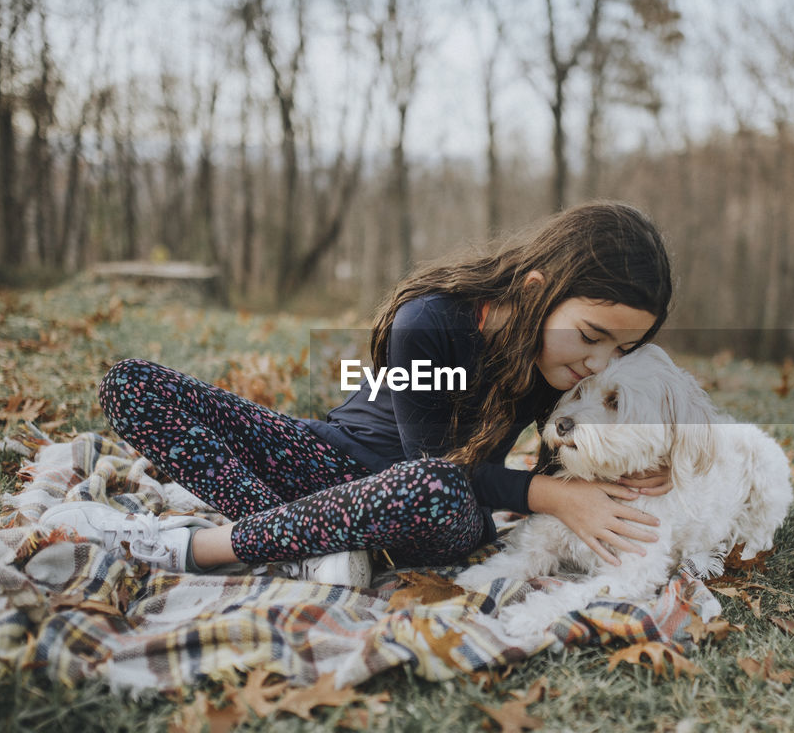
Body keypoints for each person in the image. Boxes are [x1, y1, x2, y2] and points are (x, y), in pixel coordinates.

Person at [41, 200, 675, 587]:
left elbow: (544, 470)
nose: (599, 363)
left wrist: (639, 463)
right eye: (592, 336)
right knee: (132, 385)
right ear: (538, 289)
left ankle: (254, 546)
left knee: (441, 495)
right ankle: (276, 549)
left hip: (429, 516)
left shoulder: (562, 374)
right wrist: (551, 494)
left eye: (621, 350)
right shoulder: (432, 320)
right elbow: (439, 461)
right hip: (328, 464)